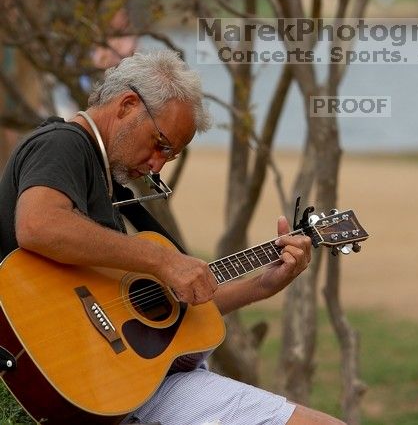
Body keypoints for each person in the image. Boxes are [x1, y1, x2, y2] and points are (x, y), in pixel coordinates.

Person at [0, 50, 344, 425]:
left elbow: (175, 309)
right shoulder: (64, 143)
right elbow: (38, 225)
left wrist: (262, 286)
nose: (157, 164)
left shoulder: (108, 183)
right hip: (70, 373)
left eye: (171, 156)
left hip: (118, 382)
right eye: (160, 143)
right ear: (128, 105)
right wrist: (162, 259)